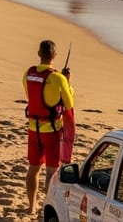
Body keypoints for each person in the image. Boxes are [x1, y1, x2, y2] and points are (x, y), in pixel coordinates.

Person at [24, 40, 75, 215]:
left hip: (33, 129)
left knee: (33, 169)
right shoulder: (58, 78)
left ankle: (31, 207)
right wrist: (67, 83)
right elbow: (69, 104)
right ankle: (46, 208)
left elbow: (31, 97)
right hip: (51, 131)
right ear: (55, 56)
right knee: (51, 173)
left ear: (39, 54)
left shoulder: (29, 73)